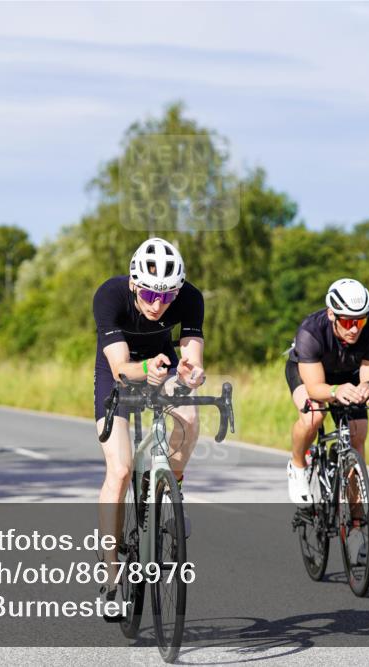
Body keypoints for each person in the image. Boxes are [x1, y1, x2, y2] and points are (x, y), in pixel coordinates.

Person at [92, 237, 206, 609]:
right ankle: (110, 574)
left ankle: (170, 486)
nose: (158, 305)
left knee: (189, 416)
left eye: (167, 297)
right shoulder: (110, 296)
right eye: (149, 295)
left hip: (161, 363)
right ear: (132, 284)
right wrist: (144, 370)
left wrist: (191, 373)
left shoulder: (190, 298)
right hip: (121, 370)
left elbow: (189, 357)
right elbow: (121, 368)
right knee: (121, 470)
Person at [284, 278, 369, 510]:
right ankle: (298, 465)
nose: (354, 328)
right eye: (347, 320)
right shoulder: (310, 331)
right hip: (309, 373)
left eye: (360, 320)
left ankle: (355, 519)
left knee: (357, 434)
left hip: (348, 375)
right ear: (332, 314)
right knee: (313, 417)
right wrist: (335, 391)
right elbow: (314, 388)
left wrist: (367, 387)